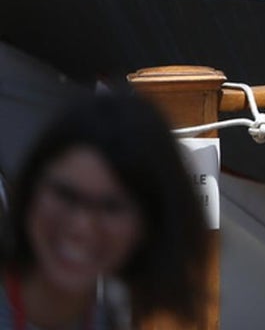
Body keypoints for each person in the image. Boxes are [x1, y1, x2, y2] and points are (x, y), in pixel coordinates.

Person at [0, 91, 208, 330]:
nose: (81, 226)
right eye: (65, 195)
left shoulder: (104, 320)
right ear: (30, 190)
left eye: (111, 207)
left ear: (149, 226)